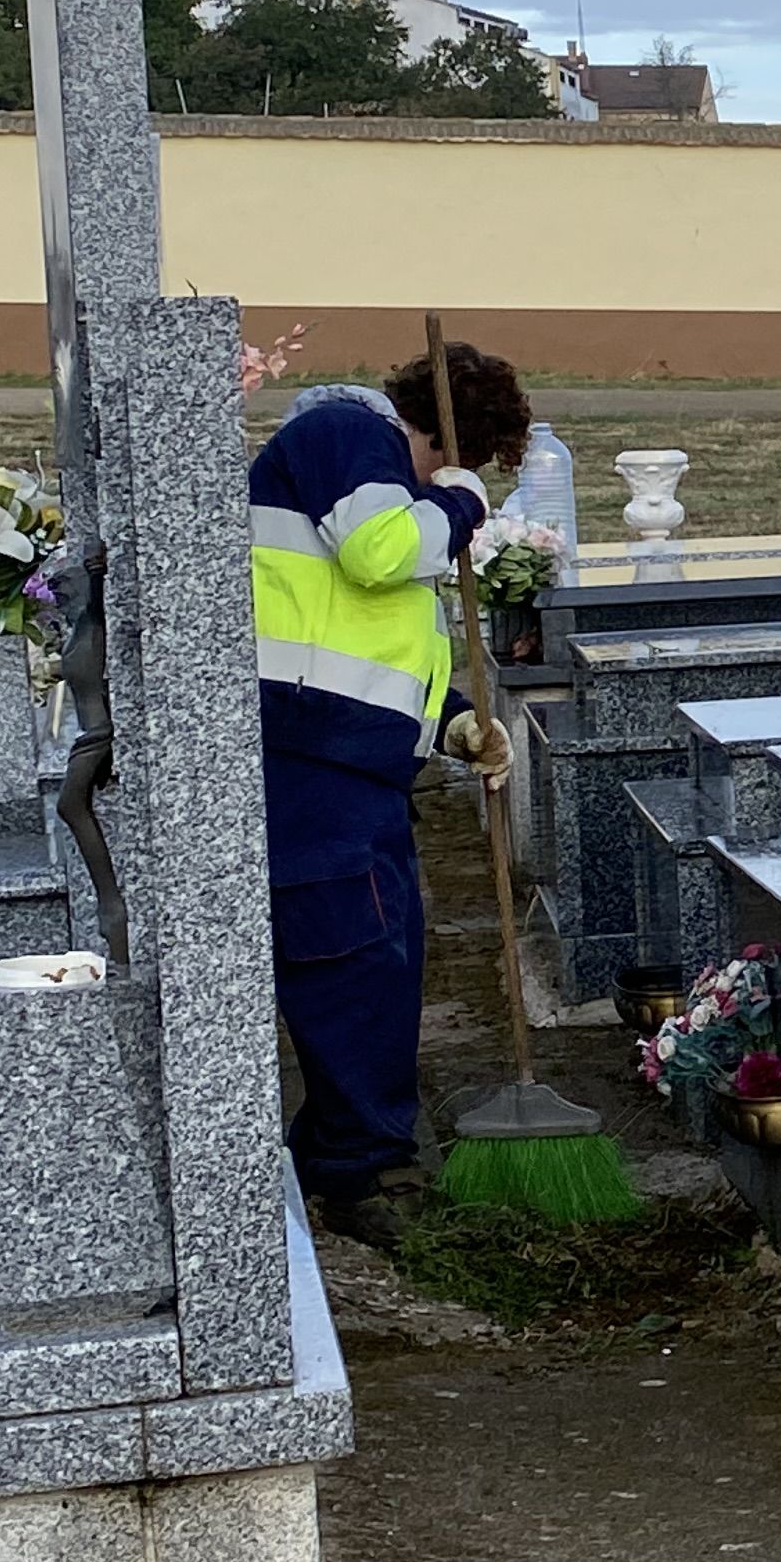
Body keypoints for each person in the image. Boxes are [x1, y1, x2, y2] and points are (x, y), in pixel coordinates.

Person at [249, 342, 530, 1244]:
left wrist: (451, 722)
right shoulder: (346, 432)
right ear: (442, 443)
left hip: (351, 764)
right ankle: (358, 1173)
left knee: (382, 956)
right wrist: (462, 501)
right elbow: (379, 556)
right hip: (310, 767)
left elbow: (368, 635)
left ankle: (342, 1152)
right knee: (351, 965)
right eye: (456, 465)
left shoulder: (364, 465)